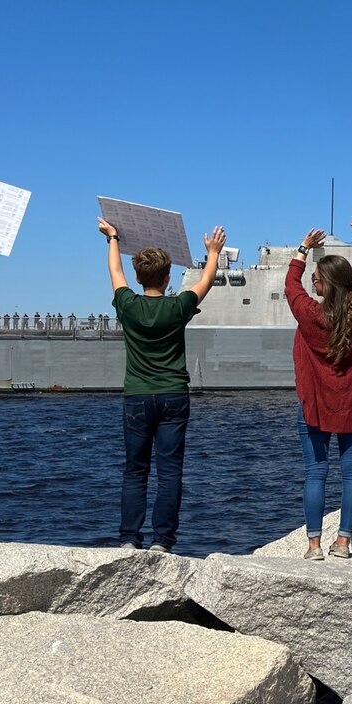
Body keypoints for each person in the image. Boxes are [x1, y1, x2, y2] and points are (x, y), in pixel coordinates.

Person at [99, 217, 225, 554]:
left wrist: (113, 238)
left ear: (138, 277)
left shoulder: (127, 304)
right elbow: (207, 279)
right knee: (170, 473)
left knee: (135, 471)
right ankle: (162, 541)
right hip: (173, 395)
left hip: (137, 396)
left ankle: (128, 538)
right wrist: (213, 252)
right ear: (168, 277)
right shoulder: (178, 305)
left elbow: (115, 274)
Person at [286, 218, 352, 561]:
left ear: (325, 283)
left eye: (316, 278)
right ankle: (343, 543)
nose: (311, 282)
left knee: (315, 472)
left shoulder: (307, 314)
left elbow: (290, 284)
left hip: (313, 403)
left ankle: (314, 547)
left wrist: (302, 250)